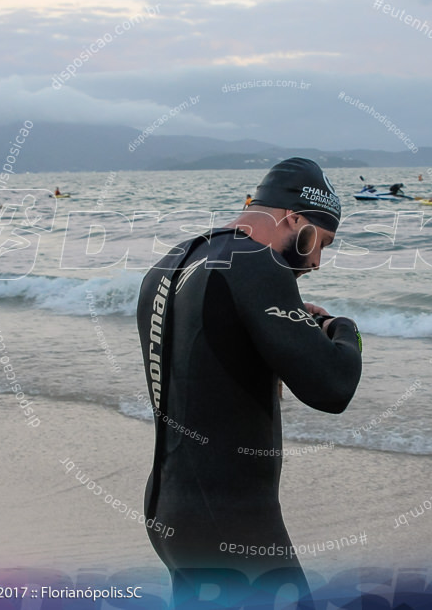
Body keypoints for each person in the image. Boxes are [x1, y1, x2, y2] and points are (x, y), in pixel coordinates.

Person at [136, 157, 363, 605]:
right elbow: (334, 388)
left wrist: (288, 329)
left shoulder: (174, 262)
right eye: (322, 242)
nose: (316, 261)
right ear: (294, 219)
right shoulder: (257, 264)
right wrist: (343, 329)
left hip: (170, 512)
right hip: (233, 525)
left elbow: (207, 362)